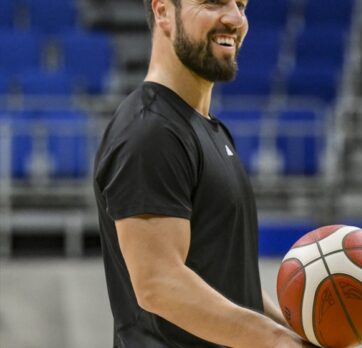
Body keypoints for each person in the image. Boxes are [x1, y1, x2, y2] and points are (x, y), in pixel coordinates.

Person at [93, 0, 312, 346]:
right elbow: (159, 284)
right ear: (164, 11)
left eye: (241, 5)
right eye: (214, 3)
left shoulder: (209, 129)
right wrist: (277, 341)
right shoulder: (150, 131)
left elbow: (233, 289)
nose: (235, 18)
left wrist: (301, 331)